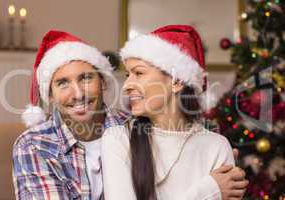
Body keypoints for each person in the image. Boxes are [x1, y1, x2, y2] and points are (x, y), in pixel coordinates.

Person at [101, 25, 249, 200]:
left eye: (138, 73)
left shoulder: (216, 146)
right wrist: (209, 190)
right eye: (128, 75)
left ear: (177, 81)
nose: (126, 86)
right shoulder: (118, 139)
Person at [12, 30, 128, 200]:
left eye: (86, 78)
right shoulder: (33, 145)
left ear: (102, 82)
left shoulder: (132, 128)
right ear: (50, 95)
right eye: (63, 83)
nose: (78, 94)